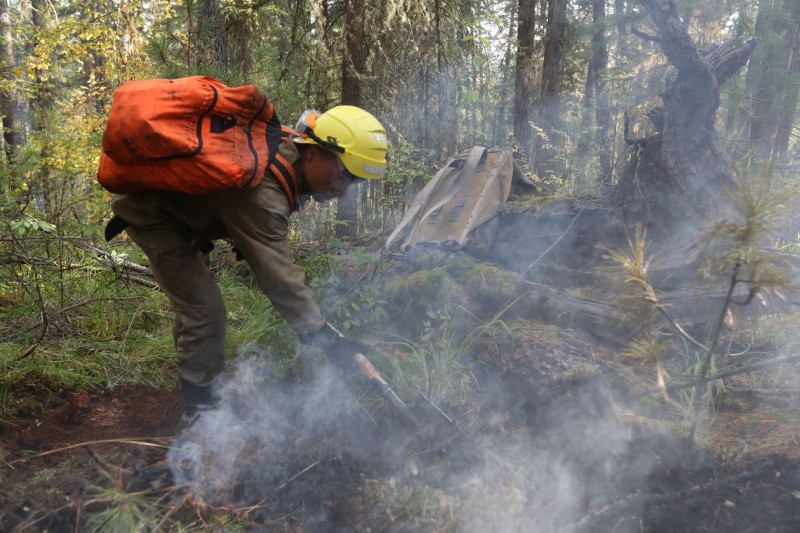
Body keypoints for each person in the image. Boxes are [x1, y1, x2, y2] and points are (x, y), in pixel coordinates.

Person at [106, 105, 388, 421]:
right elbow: (279, 277)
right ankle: (200, 413)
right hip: (152, 214)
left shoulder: (286, 153)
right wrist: (322, 336)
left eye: (352, 183)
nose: (341, 191)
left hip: (181, 213)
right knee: (205, 311)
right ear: (313, 154)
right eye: (342, 176)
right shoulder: (265, 193)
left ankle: (195, 379)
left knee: (196, 308)